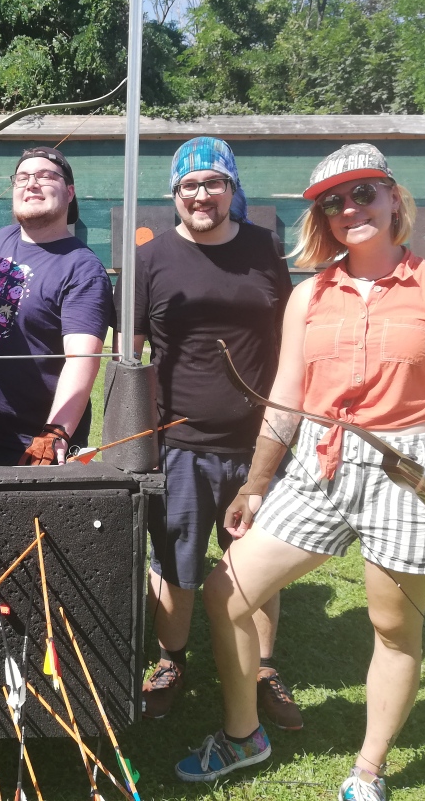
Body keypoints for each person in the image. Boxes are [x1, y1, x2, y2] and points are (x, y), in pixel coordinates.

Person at [179, 144, 425, 801]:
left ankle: (368, 771)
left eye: (363, 192)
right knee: (227, 592)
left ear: (394, 197)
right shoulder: (309, 296)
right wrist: (254, 485)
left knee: (393, 628)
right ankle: (245, 735)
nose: (348, 209)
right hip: (319, 465)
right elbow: (285, 400)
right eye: (332, 202)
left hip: (407, 472)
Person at [118, 137, 302, 729]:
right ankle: (173, 660)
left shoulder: (263, 249)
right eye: (189, 186)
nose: (202, 195)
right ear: (175, 194)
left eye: (213, 183)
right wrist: (131, 437)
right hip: (179, 443)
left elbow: (290, 342)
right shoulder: (151, 258)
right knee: (176, 560)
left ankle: (264, 668)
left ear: (231, 189)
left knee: (257, 562)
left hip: (260, 443)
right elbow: (132, 352)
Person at [0, 147, 114, 465]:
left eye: (46, 176)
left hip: (34, 446)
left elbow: (83, 358)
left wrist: (56, 432)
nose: (31, 183)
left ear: (69, 192)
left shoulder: (82, 268)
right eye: (22, 177)